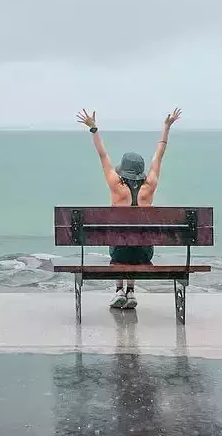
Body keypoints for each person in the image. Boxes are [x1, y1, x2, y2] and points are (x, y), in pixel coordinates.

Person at [75, 107, 182, 310]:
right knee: (136, 239)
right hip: (144, 252)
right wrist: (166, 127)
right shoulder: (150, 185)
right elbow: (159, 155)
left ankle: (119, 291)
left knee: (121, 241)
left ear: (123, 170)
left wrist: (94, 128)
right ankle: (131, 291)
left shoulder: (116, 185)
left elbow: (103, 155)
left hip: (119, 252)